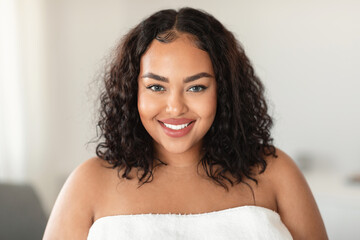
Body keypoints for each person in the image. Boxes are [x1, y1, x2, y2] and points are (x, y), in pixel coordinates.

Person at [43, 7, 328, 240]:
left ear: (224, 91)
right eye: (156, 87)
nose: (175, 107)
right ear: (132, 92)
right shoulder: (89, 183)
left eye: (196, 88)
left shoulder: (277, 173)